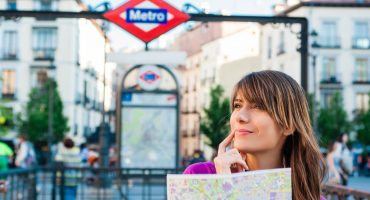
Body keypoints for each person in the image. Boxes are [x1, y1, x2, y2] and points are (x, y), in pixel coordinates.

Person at [184, 71, 327, 200]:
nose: (240, 116)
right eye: (237, 105)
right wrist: (223, 184)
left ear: (287, 125)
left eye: (258, 106)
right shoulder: (199, 176)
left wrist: (228, 191)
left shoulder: (308, 196)